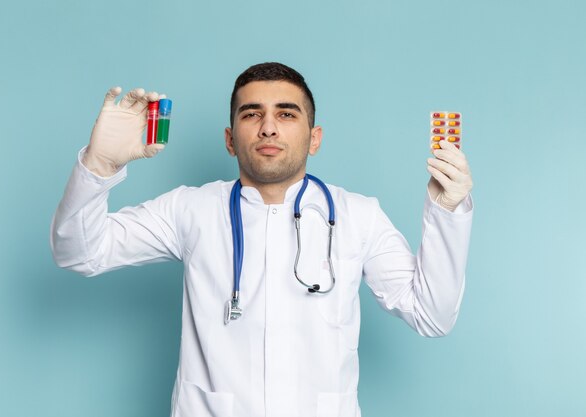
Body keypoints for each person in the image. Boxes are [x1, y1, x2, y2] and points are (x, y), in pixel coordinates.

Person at [51, 62, 473, 417]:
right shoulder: (190, 209)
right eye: (252, 114)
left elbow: (432, 315)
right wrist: (99, 164)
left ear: (314, 137)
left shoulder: (358, 216)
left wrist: (447, 210)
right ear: (230, 139)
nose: (269, 127)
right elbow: (79, 252)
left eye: (287, 114)